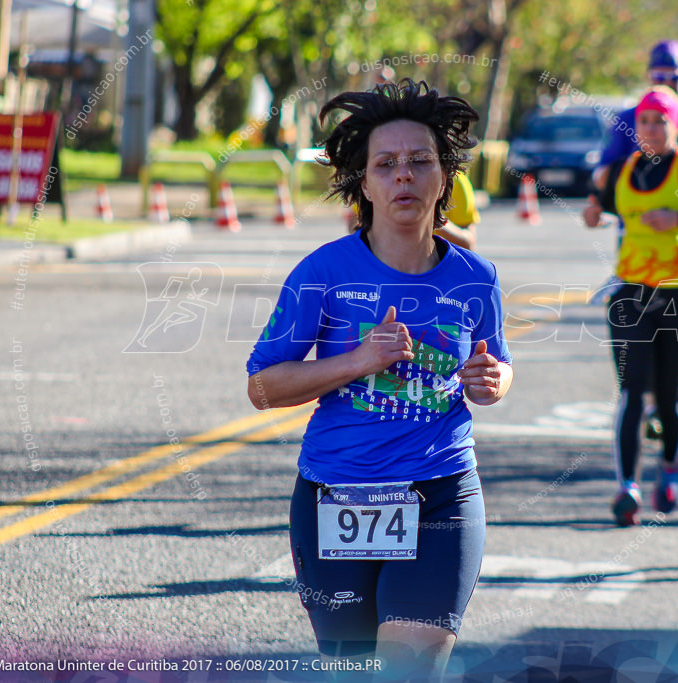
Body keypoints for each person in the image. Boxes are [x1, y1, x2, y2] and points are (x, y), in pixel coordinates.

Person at [246, 79, 514, 679]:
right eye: (386, 164)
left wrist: (494, 381)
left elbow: (496, 365)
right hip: (335, 496)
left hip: (441, 493)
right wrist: (357, 361)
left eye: (420, 162)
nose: (404, 177)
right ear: (362, 183)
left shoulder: (477, 277)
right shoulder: (323, 272)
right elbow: (261, 387)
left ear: (444, 178)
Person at [588, 86, 678, 526]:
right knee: (631, 391)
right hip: (630, 292)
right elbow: (606, 206)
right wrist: (595, 212)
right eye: (645, 121)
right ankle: (626, 487)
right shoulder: (623, 169)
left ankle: (668, 471)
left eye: (660, 121)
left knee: (668, 396)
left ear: (675, 125)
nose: (650, 129)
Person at [591, 40, 678, 192]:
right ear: (648, 76)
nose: (666, 82)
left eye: (674, 77)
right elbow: (602, 172)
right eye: (659, 76)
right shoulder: (625, 119)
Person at [348, 170, 480, 250]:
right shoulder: (378, 180)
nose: (405, 175)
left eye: (420, 160)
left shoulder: (457, 181)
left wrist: (430, 220)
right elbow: (355, 225)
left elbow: (468, 244)